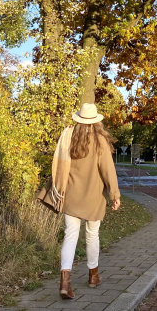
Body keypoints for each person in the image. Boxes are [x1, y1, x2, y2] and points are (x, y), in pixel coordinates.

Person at [48, 103, 121, 300]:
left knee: (70, 236)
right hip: (93, 198)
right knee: (92, 236)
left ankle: (65, 282)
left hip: (70, 197)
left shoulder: (69, 138)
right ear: (96, 122)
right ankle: (93, 276)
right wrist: (115, 195)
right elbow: (108, 171)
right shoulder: (99, 142)